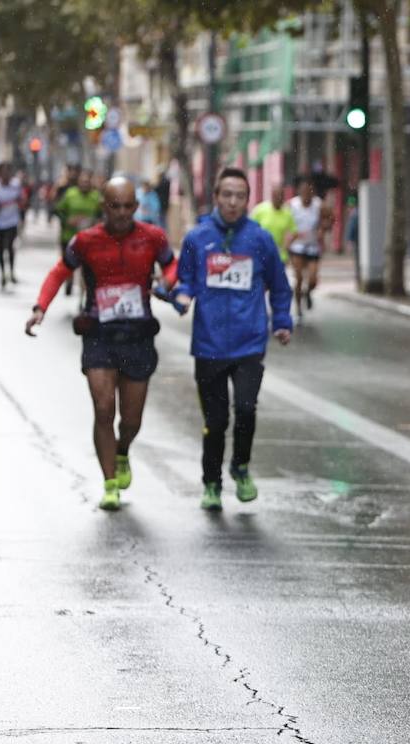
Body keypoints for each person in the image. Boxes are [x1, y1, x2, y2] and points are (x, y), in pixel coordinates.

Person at [24, 177, 178, 510]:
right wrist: (40, 307)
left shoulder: (152, 237)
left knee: (132, 420)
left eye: (127, 206)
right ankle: (109, 482)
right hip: (99, 334)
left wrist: (168, 281)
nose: (121, 213)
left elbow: (172, 264)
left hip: (138, 335)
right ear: (104, 206)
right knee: (104, 407)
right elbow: (59, 272)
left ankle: (123, 451)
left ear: (135, 207)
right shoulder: (85, 241)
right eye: (114, 206)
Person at [171, 167, 294, 511]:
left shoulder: (260, 239)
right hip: (209, 344)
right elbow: (185, 280)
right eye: (227, 195)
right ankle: (211, 482)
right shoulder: (198, 239)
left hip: (249, 343)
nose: (233, 202)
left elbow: (279, 286)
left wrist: (282, 321)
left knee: (245, 409)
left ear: (247, 200)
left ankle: (240, 466)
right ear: (216, 197)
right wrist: (180, 297)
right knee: (215, 420)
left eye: (240, 196)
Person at [53, 169, 102, 298]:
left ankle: (83, 295)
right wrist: (67, 221)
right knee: (68, 264)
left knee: (86, 269)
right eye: (82, 181)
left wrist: (94, 222)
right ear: (78, 182)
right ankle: (69, 281)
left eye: (87, 181)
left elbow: (101, 214)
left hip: (88, 239)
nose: (85, 184)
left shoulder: (96, 196)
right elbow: (58, 210)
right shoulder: (70, 194)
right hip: (69, 236)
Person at [287, 177, 328, 316]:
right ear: (299, 191)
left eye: (309, 191)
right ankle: (298, 308)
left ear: (313, 192)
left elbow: (330, 218)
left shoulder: (319, 205)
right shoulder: (292, 205)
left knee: (313, 280)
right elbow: (285, 222)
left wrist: (323, 229)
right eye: (303, 191)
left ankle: (308, 292)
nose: (306, 194)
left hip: (312, 246)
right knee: (298, 278)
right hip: (297, 246)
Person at [0, 162, 25, 288]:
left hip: (12, 222)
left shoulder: (16, 185)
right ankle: (3, 273)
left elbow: (22, 200)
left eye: (7, 172)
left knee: (10, 247)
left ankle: (11, 272)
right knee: (0, 250)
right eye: (3, 172)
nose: (5, 175)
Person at [250, 185, 297, 263]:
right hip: (261, 254)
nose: (278, 198)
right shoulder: (260, 209)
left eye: (280, 195)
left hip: (280, 256)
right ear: (272, 196)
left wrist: (286, 246)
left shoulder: (287, 213)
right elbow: (250, 228)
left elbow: (294, 232)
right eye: (275, 195)